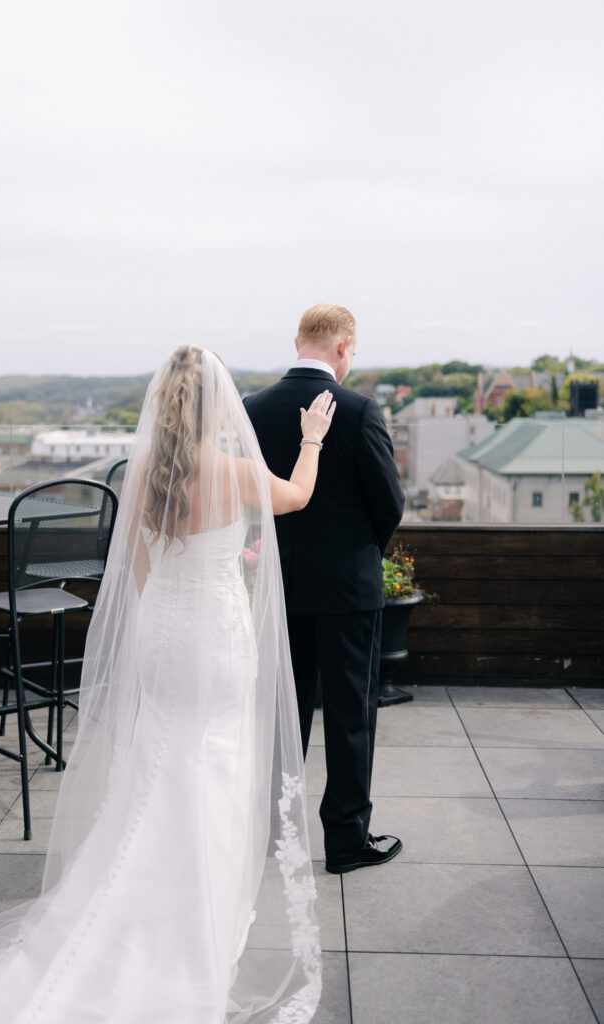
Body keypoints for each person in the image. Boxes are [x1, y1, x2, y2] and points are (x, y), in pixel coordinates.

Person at [0, 346, 336, 1024]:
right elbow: (293, 496)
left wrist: (156, 627)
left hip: (163, 629)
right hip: (216, 634)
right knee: (216, 761)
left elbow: (140, 568)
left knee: (160, 760)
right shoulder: (230, 470)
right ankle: (197, 903)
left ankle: (139, 888)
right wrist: (311, 440)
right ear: (214, 407)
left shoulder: (146, 468)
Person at [243, 305, 405, 875]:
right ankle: (344, 843)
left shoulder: (252, 409)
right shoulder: (360, 410)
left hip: (279, 587)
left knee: (281, 716)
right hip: (347, 592)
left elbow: (249, 505)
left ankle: (270, 834)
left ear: (297, 342)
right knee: (350, 716)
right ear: (345, 347)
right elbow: (389, 504)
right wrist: (359, 557)